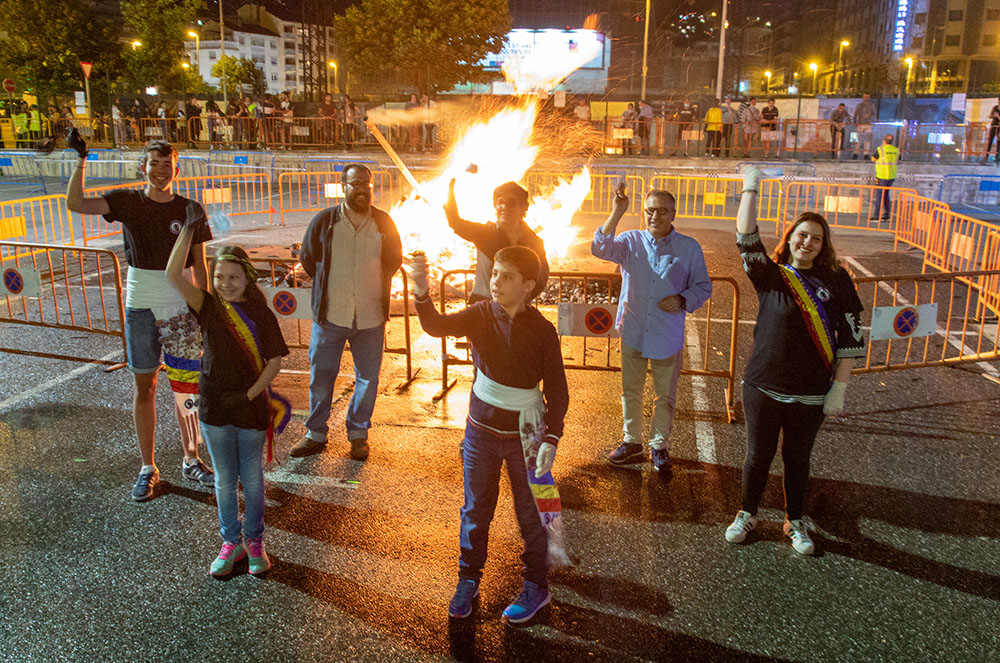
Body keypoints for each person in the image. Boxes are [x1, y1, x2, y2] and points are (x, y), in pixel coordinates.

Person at [409, 246, 569, 624]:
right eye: (494, 273)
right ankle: (468, 579)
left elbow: (557, 390)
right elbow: (436, 326)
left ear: (528, 286)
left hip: (526, 433)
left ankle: (536, 585)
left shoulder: (543, 331)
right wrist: (420, 290)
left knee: (532, 513)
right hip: (480, 430)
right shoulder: (481, 314)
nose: (496, 281)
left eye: (507, 276)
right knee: (476, 509)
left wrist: (552, 437)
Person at [65, 131, 215, 501]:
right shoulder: (127, 202)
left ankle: (191, 458)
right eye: (155, 164)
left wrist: (206, 308)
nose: (161, 170)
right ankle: (148, 467)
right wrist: (80, 160)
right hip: (140, 306)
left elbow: (200, 264)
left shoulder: (189, 209)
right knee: (144, 387)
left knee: (186, 390)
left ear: (176, 169)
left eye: (168, 164)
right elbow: (76, 203)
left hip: (181, 310)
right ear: (142, 167)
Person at [726, 167, 865, 554]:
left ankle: (795, 520)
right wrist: (751, 186)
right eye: (802, 235)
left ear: (824, 246)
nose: (808, 242)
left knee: (797, 458)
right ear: (790, 239)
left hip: (811, 391)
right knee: (758, 455)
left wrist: (840, 387)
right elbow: (746, 235)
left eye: (817, 239)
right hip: (763, 384)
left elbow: (851, 336)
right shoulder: (770, 275)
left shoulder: (838, 281)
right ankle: (747, 513)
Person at [166, 212, 289, 577]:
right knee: (223, 479)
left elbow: (275, 362)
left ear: (247, 278)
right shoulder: (207, 306)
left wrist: (250, 396)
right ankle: (229, 542)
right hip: (214, 405)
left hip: (249, 407)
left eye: (233, 277)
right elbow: (174, 274)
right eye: (219, 277)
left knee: (251, 479)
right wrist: (188, 230)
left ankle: (255, 542)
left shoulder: (260, 314)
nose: (225, 283)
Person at [591, 183, 712, 473]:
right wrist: (617, 211)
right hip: (633, 329)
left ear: (673, 214)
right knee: (630, 391)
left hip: (665, 334)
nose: (654, 216)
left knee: (665, 395)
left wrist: (683, 299)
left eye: (661, 211)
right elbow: (599, 247)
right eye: (649, 210)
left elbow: (703, 285)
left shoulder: (689, 248)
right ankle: (632, 442)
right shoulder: (630, 241)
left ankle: (659, 445)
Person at [290, 164, 403, 460]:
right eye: (355, 184)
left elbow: (393, 260)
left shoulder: (383, 223)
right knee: (322, 376)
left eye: (367, 183)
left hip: (370, 318)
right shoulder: (325, 222)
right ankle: (315, 433)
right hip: (331, 317)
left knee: (368, 378)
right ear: (344, 186)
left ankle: (358, 434)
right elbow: (308, 257)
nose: (362, 189)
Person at [444, 179, 549, 304]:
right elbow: (455, 222)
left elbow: (541, 278)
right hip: (482, 308)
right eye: (500, 202)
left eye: (512, 203)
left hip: (514, 312)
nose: (505, 207)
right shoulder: (484, 234)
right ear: (495, 206)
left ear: (523, 207)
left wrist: (524, 299)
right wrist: (450, 191)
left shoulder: (534, 242)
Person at [870, 134, 899, 221]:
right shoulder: (896, 150)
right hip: (891, 176)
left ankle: (877, 216)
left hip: (882, 176)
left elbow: (873, 159)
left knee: (879, 196)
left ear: (884, 141)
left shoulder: (880, 149)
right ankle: (887, 215)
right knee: (886, 195)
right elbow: (899, 160)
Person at [852, 93, 876, 160]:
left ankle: (866, 154)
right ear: (863, 97)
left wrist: (869, 116)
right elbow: (855, 114)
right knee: (857, 140)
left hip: (867, 124)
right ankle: (855, 153)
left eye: (867, 97)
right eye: (865, 97)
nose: (866, 98)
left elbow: (874, 114)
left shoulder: (871, 105)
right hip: (860, 124)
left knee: (867, 140)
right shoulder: (859, 105)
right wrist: (855, 123)